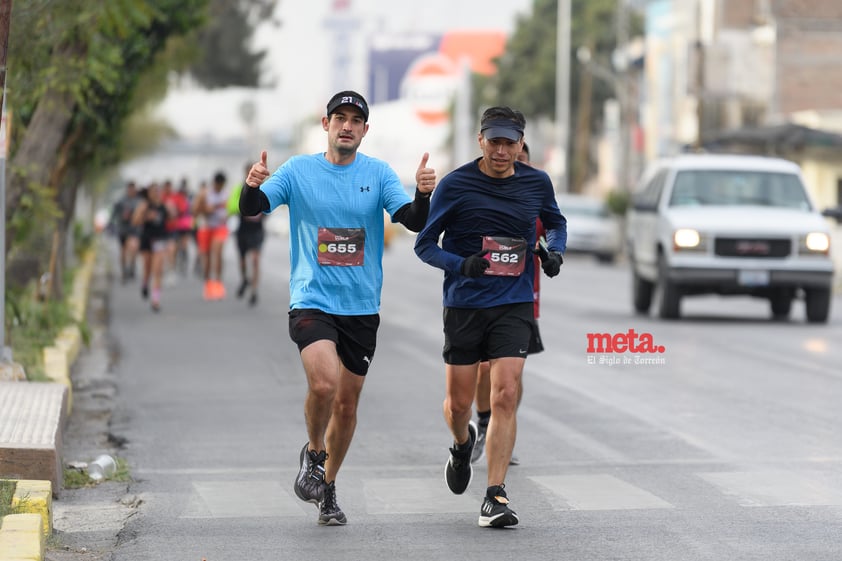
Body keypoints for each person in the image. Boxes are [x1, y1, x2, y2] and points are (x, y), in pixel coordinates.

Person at [239, 90, 436, 526]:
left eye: (355, 120)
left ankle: (326, 484)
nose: (347, 126)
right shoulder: (298, 170)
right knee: (325, 384)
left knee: (347, 405)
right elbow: (252, 208)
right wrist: (251, 185)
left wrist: (423, 196)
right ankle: (313, 452)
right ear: (325, 124)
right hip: (311, 298)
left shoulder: (379, 174)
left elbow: (413, 220)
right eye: (339, 118)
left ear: (365, 130)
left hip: (361, 306)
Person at [414, 107, 566, 528]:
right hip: (464, 304)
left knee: (504, 393)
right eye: (494, 141)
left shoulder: (537, 182)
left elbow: (556, 223)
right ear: (480, 140)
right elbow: (425, 244)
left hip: (513, 302)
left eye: (509, 142)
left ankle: (495, 495)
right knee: (460, 403)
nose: (501, 150)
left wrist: (554, 252)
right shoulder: (455, 184)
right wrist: (461, 265)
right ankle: (462, 445)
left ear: (521, 144)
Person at [471, 142, 543, 467]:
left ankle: (503, 423)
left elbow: (553, 231)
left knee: (512, 375)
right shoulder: (482, 194)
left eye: (523, 161)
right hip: (481, 298)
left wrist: (550, 249)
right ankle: (483, 420)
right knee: (484, 366)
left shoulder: (535, 197)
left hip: (520, 298)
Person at [228, 163, 265, 306]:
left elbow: (270, 205)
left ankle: (254, 291)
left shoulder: (264, 187)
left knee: (255, 260)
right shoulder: (239, 188)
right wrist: (244, 206)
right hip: (242, 230)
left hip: (257, 231)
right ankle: (244, 279)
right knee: (242, 260)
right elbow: (231, 206)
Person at [132, 183, 171, 312]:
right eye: (153, 191)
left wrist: (172, 210)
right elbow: (135, 221)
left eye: (157, 191)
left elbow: (171, 220)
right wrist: (144, 215)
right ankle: (144, 284)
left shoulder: (163, 206)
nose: (156, 193)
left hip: (159, 240)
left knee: (158, 271)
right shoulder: (144, 205)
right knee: (147, 268)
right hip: (147, 240)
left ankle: (155, 300)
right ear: (149, 193)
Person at [194, 172, 230, 300]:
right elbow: (195, 210)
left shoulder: (226, 193)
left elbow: (229, 209)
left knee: (218, 252)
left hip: (220, 227)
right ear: (214, 183)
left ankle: (218, 283)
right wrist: (205, 208)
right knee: (207, 258)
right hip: (206, 227)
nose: (219, 188)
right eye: (218, 185)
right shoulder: (205, 193)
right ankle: (208, 284)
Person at [109, 180, 142, 282]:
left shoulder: (139, 201)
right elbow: (114, 214)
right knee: (123, 251)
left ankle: (132, 266)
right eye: (130, 189)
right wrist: (113, 223)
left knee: (133, 248)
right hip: (123, 229)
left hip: (134, 229)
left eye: (133, 189)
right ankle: (124, 270)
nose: (132, 191)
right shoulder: (121, 201)